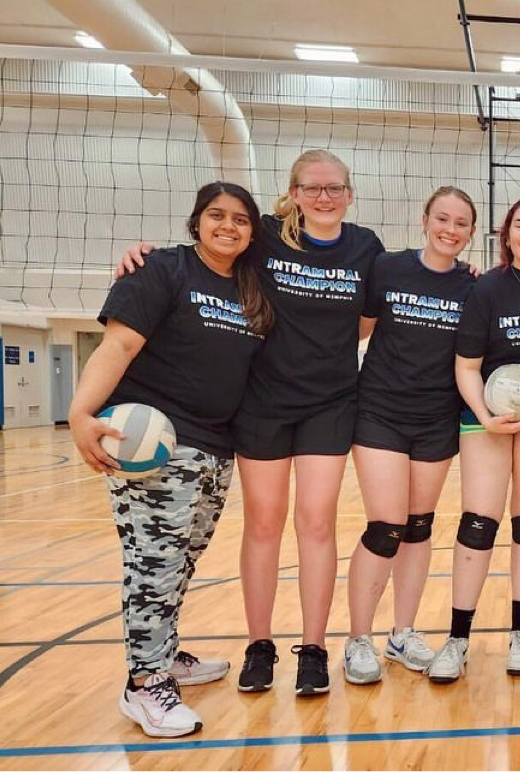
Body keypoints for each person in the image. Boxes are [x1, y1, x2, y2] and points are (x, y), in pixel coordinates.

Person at [118, 150, 384, 696]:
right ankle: (259, 646)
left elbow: (369, 319)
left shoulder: (365, 247)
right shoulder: (263, 235)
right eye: (312, 188)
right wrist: (142, 254)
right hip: (262, 400)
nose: (324, 198)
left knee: (316, 524)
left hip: (330, 403)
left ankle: (313, 648)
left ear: (350, 194)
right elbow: (210, 248)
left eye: (335, 188)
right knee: (264, 524)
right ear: (293, 193)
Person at [70, 182, 270, 737]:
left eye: (240, 219)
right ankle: (145, 684)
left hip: (216, 446)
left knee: (182, 562)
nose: (227, 226)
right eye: (216, 215)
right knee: (152, 567)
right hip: (153, 443)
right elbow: (119, 345)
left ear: (253, 231)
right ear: (196, 221)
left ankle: (163, 653)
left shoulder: (252, 287)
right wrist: (82, 413)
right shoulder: (161, 269)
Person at [426, 196, 520, 683]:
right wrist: (484, 414)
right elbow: (467, 365)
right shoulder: (486, 289)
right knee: (478, 522)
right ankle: (457, 639)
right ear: (505, 235)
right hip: (486, 419)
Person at [343, 187, 478, 684]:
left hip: (437, 418)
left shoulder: (472, 285)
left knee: (419, 526)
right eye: (442, 218)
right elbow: (355, 327)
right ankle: (359, 639)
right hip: (380, 411)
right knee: (386, 526)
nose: (450, 229)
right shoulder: (389, 268)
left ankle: (403, 633)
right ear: (425, 220)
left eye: (461, 222)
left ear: (470, 232)